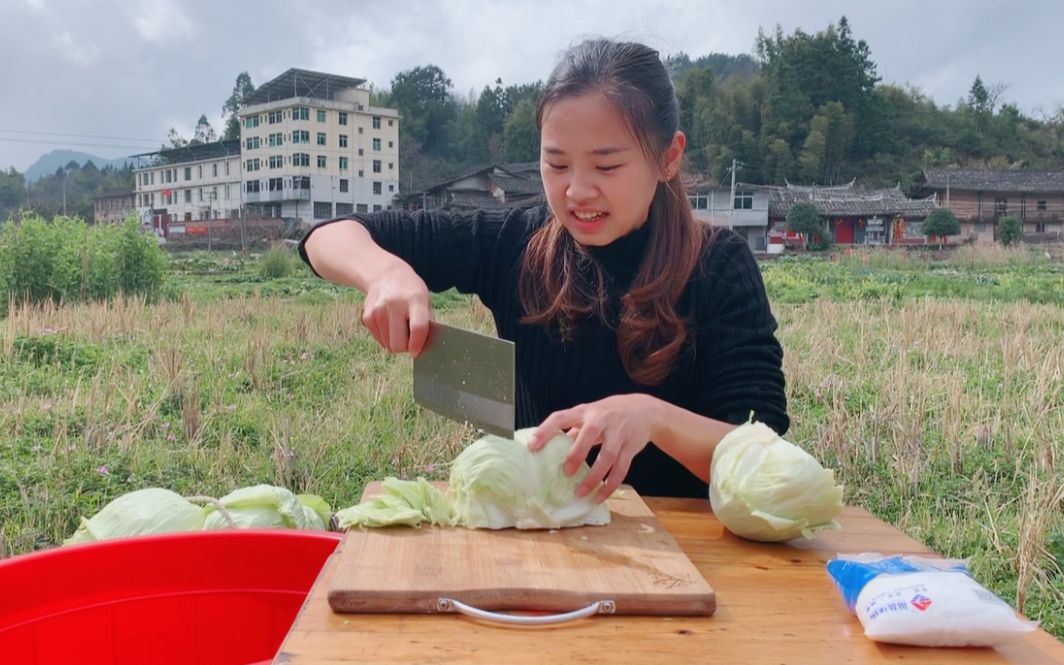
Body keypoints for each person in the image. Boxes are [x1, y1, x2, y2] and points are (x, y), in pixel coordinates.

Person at [299, 39, 788, 501]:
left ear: (668, 157)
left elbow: (763, 453)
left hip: (687, 556)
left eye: (607, 167)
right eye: (556, 165)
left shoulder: (717, 264)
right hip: (543, 535)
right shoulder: (517, 239)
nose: (577, 191)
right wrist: (384, 274)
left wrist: (654, 419)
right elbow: (328, 236)